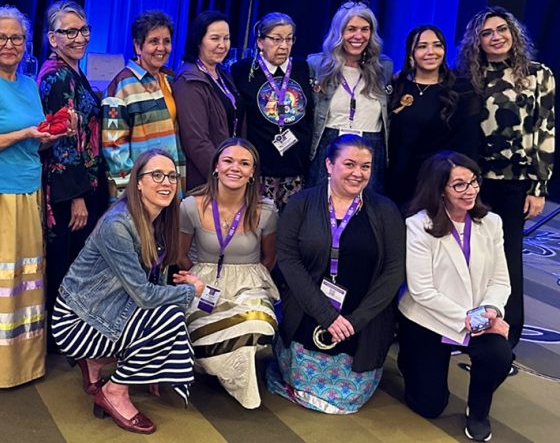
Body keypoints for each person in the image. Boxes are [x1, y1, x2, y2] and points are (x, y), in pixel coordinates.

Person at [53, 150, 204, 435]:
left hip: (110, 309)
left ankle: (96, 362)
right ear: (137, 182)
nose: (166, 182)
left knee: (169, 315)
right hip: (77, 319)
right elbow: (146, 297)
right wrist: (188, 291)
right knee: (171, 316)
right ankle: (114, 391)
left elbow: (151, 283)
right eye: (156, 175)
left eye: (171, 176)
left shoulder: (159, 220)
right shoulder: (118, 226)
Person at [0, 5, 64, 387]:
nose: (9, 45)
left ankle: (24, 364)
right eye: (0, 38)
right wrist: (24, 135)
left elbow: (31, 139)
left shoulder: (27, 83)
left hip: (28, 192)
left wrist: (45, 137)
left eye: (16, 38)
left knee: (24, 281)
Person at [266, 134, 404, 414]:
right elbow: (289, 262)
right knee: (302, 377)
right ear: (329, 165)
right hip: (309, 307)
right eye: (350, 164)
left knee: (348, 396)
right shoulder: (301, 204)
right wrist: (326, 315)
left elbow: (393, 271)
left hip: (361, 316)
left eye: (365, 167)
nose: (358, 173)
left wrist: (355, 321)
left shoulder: (386, 211)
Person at [458, 6, 555, 363]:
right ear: (477, 41)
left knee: (507, 260)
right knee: (472, 259)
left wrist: (539, 187)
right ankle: (470, 334)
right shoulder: (470, 76)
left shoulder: (538, 75)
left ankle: (505, 343)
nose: (496, 36)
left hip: (516, 184)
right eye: (487, 32)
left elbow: (545, 132)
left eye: (502, 29)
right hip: (475, 184)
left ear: (513, 34)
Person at [398, 151, 511, 442]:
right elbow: (422, 291)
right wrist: (477, 320)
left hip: (479, 316)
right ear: (439, 190)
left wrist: (491, 313)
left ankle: (478, 410)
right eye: (459, 185)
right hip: (428, 319)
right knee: (428, 405)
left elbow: (500, 280)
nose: (470, 190)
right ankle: (410, 362)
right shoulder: (418, 225)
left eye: (474, 181)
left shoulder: (492, 223)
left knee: (499, 355)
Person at [177, 138, 278, 409]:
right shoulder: (190, 205)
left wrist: (252, 283)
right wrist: (198, 282)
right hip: (203, 282)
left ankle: (233, 374)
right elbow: (181, 255)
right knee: (200, 330)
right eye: (228, 161)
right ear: (216, 167)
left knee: (257, 324)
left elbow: (269, 258)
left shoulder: (266, 210)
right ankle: (223, 368)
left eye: (244, 163)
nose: (236, 168)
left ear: (253, 171)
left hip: (250, 282)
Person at [37, 0, 108, 352]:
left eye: (83, 30)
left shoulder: (73, 70)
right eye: (69, 31)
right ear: (52, 38)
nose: (78, 37)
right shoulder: (57, 76)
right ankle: (61, 340)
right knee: (65, 264)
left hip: (84, 180)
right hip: (68, 190)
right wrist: (77, 196)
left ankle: (68, 336)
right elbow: (62, 139)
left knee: (75, 263)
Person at [386, 24, 479, 206]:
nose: (431, 52)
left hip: (439, 182)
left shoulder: (462, 90)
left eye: (437, 45)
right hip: (397, 181)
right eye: (422, 46)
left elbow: (469, 145)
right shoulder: (397, 86)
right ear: (410, 53)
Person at [307, 1, 393, 193]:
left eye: (365, 29)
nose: (358, 36)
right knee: (322, 210)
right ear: (338, 32)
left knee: (365, 214)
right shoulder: (317, 65)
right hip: (328, 144)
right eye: (351, 29)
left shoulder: (383, 67)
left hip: (371, 147)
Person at [231, 12, 313, 210]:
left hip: (295, 167)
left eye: (289, 39)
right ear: (260, 41)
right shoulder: (241, 70)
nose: (284, 46)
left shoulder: (303, 68)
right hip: (259, 167)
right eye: (276, 39)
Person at [102, 10, 184, 195]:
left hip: (171, 186)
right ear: (138, 46)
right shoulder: (121, 85)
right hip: (139, 192)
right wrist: (132, 191)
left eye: (167, 41)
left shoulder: (171, 79)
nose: (162, 48)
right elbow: (113, 147)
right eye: (154, 41)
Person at [173, 10, 242, 190]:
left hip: (229, 170)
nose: (222, 45)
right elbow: (196, 142)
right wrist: (222, 175)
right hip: (206, 180)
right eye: (215, 38)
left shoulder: (222, 73)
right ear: (198, 41)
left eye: (226, 38)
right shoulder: (188, 80)